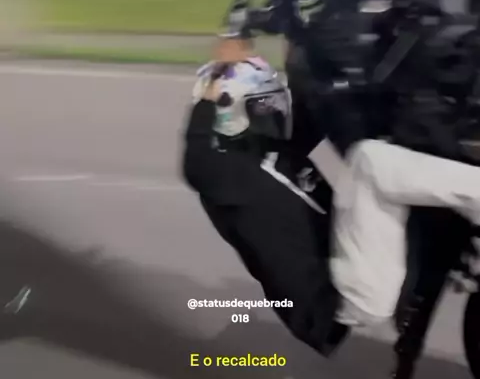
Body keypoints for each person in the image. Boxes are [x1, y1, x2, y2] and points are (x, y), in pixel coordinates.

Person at [181, 48, 480, 353]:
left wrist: (302, 50)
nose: (274, 109)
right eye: (263, 104)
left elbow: (314, 112)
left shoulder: (276, 152)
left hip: (354, 262)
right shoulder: (229, 182)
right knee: (369, 162)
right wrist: (208, 99)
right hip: (342, 296)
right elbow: (197, 163)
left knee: (382, 151)